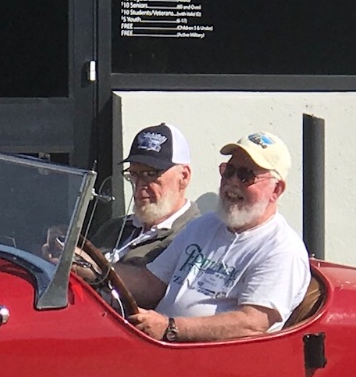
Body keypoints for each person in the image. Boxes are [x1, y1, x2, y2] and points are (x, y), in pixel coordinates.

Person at [111, 132, 311, 342]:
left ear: (276, 189)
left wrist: (170, 327)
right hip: (159, 346)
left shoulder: (281, 249)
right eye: (228, 171)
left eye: (246, 176)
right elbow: (151, 283)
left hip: (210, 357)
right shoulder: (204, 225)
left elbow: (253, 323)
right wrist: (95, 270)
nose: (232, 182)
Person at [102, 122, 199, 265]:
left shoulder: (194, 237)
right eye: (134, 174)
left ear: (183, 177)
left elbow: (151, 279)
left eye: (151, 174)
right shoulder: (115, 227)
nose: (139, 185)